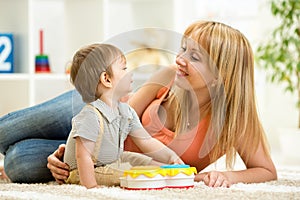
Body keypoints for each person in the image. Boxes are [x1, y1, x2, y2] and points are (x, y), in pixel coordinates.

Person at [0, 20, 277, 187]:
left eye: (194, 57)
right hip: (101, 106)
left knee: (18, 163)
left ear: (220, 77)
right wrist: (79, 139)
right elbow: (120, 113)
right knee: (6, 130)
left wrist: (231, 177)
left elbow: (267, 171)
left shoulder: (232, 122)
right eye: (183, 48)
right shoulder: (168, 77)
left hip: (106, 160)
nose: (179, 59)